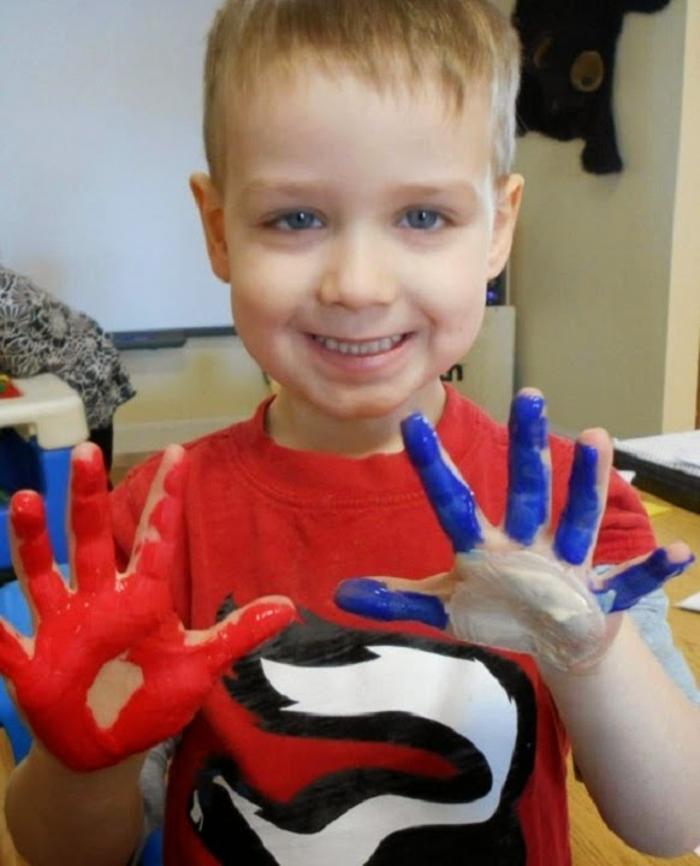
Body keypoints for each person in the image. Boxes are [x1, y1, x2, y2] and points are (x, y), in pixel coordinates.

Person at [3, 2, 699, 865]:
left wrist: (589, 653)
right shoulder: (155, 528)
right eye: (296, 218)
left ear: (500, 227)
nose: (359, 285)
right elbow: (65, 852)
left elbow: (677, 824)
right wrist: (80, 764)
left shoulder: (573, 513)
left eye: (423, 217)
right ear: (220, 228)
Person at [0, 264, 135, 472]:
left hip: (83, 367)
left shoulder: (7, 305)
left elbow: (24, 367)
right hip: (49, 363)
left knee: (86, 470)